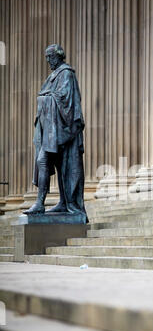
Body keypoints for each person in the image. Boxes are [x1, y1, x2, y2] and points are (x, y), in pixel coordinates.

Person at [23, 44, 87, 222]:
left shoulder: (66, 73)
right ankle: (62, 201)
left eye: (50, 56)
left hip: (62, 130)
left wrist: (44, 98)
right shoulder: (54, 76)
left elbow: (65, 100)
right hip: (53, 130)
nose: (47, 60)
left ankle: (45, 203)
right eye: (46, 57)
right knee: (56, 165)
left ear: (58, 56)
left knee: (46, 161)